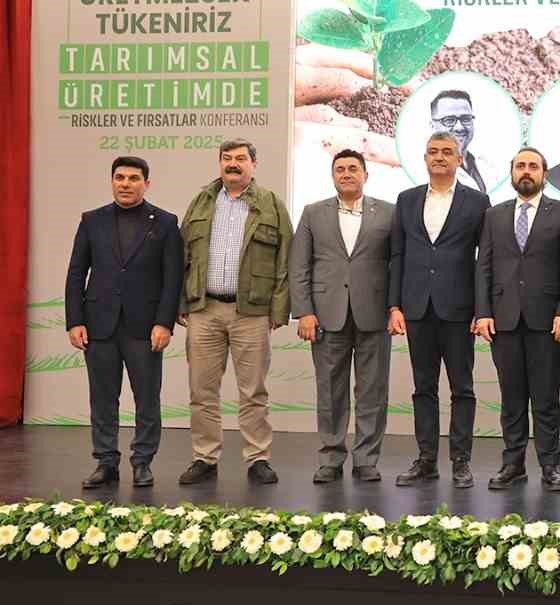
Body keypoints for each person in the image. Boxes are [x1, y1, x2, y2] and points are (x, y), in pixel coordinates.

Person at [177, 140, 292, 486]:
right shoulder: (201, 201)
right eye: (226, 158)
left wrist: (278, 309)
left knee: (253, 391)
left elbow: (285, 259)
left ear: (253, 164)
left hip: (251, 312)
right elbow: (181, 256)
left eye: (241, 158)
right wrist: (181, 303)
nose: (233, 164)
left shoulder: (271, 203)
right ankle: (204, 457)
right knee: (201, 390)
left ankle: (258, 458)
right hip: (204, 310)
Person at [65, 156, 182, 489]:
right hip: (98, 324)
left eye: (133, 178)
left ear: (147, 183)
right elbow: (76, 273)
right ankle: (106, 462)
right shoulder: (92, 220)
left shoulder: (165, 222)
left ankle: (142, 461)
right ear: (112, 181)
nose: (126, 184)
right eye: (120, 177)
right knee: (102, 399)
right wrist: (75, 320)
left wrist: (164, 323)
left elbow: (172, 278)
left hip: (145, 327)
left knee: (147, 399)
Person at [473, 147, 560, 491]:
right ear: (512, 172)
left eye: (533, 166)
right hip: (503, 321)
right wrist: (483, 312)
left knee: (546, 399)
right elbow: (484, 266)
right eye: (520, 165)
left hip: (548, 323)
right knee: (512, 398)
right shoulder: (494, 215)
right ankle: (513, 464)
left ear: (544, 174)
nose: (526, 171)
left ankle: (550, 466)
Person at [389, 131, 491, 488]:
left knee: (462, 388)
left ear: (460, 159)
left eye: (447, 152)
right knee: (423, 388)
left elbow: (485, 261)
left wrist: (482, 309)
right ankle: (426, 460)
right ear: (424, 158)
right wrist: (394, 305)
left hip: (460, 310)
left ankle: (461, 461)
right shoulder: (407, 200)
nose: (440, 157)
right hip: (417, 307)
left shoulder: (477, 202)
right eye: (433, 151)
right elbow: (397, 255)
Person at [289, 149, 395, 484]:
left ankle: (366, 460)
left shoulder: (389, 213)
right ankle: (331, 458)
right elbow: (299, 266)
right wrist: (304, 312)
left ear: (366, 175)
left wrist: (395, 308)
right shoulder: (312, 213)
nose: (346, 174)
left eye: (353, 168)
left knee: (372, 391)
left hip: (374, 313)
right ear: (332, 176)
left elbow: (398, 264)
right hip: (325, 315)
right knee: (330, 390)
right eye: (340, 169)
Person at [429, 89, 490, 194]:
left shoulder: (487, 166)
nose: (459, 127)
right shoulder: (423, 173)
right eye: (449, 120)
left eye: (465, 119)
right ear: (432, 126)